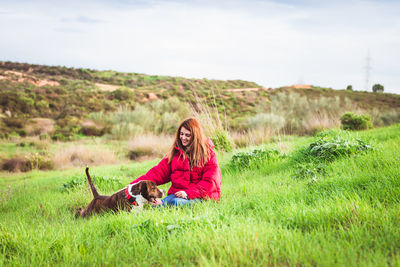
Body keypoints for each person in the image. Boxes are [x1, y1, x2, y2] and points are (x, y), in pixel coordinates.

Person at [129, 117, 221, 206]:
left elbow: (210, 182)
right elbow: (157, 173)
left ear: (195, 136)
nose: (183, 138)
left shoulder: (208, 155)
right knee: (155, 206)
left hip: (202, 197)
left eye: (187, 135)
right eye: (181, 134)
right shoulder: (175, 154)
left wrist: (187, 193)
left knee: (175, 203)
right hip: (177, 195)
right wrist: (132, 186)